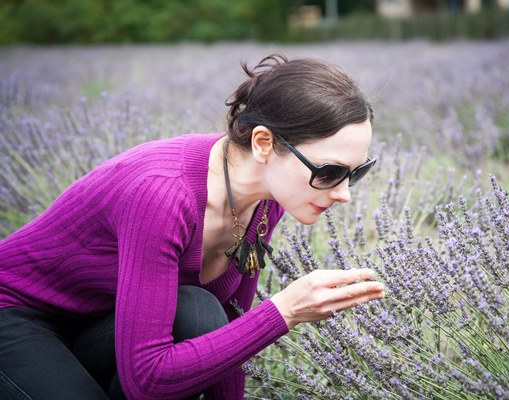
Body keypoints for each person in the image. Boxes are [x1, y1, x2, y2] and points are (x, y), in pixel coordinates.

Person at [0, 53, 385, 400]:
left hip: (100, 325)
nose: (343, 194)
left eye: (356, 173)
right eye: (330, 172)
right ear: (264, 143)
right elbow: (147, 380)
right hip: (17, 316)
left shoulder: (268, 199)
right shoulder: (163, 195)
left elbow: (227, 331)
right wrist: (282, 311)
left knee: (198, 311)